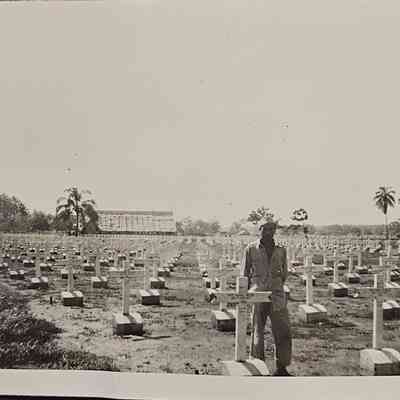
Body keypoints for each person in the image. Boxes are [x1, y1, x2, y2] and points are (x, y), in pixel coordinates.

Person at [240, 220, 293, 376]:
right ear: (259, 229)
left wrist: (276, 285)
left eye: (271, 229)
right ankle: (258, 365)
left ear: (275, 231)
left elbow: (284, 273)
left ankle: (282, 366)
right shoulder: (251, 249)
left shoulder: (281, 250)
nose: (268, 232)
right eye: (265, 229)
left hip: (276, 294)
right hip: (257, 293)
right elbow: (244, 273)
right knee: (257, 330)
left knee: (283, 330)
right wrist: (249, 292)